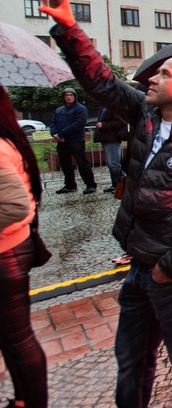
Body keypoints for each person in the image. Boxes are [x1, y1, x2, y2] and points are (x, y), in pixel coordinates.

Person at [40, 0, 172, 407]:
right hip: (139, 264)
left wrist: (169, 268)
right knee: (131, 361)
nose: (153, 77)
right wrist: (68, 26)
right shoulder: (146, 114)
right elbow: (101, 81)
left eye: (165, 74)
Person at [0, 85, 48, 408]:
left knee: (18, 338)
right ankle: (22, 399)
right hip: (15, 246)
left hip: (7, 251)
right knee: (12, 337)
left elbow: (15, 205)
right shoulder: (9, 141)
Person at [50, 87, 98, 194]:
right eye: (66, 95)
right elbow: (53, 123)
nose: (69, 97)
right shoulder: (59, 110)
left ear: (75, 96)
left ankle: (90, 185)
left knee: (82, 162)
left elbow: (78, 124)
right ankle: (70, 185)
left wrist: (61, 134)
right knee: (65, 163)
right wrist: (54, 134)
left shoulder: (81, 109)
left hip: (76, 140)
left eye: (71, 95)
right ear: (63, 97)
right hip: (62, 141)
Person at [94, 106, 129, 193]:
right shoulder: (103, 108)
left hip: (112, 139)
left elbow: (121, 121)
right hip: (106, 139)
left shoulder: (114, 107)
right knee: (110, 164)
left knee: (114, 164)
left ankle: (126, 183)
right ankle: (116, 184)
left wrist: (104, 125)